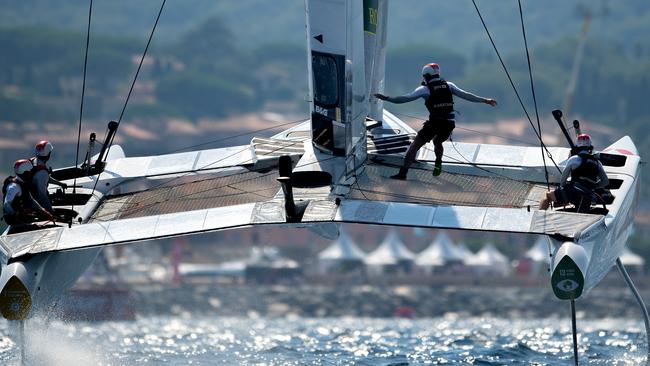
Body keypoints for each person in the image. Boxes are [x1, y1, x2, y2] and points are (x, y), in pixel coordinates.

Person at [374, 62, 497, 179]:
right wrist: (485, 100)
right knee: (438, 141)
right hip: (449, 123)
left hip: (434, 123)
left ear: (426, 76)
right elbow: (466, 95)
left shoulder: (424, 90)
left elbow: (404, 99)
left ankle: (403, 174)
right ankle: (438, 162)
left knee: (414, 146)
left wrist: (387, 98)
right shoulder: (449, 85)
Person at [539, 134, 609, 212]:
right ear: (590, 147)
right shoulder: (597, 163)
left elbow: (563, 180)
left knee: (548, 195)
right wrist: (593, 186)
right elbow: (605, 182)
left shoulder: (574, 159)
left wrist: (562, 190)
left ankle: (540, 214)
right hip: (588, 196)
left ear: (577, 147)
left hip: (573, 192)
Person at [2, 159, 54, 226]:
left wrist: (44, 211)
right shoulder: (14, 187)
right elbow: (6, 204)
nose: (31, 173)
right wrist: (15, 214)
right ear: (25, 172)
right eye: (29, 171)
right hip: (14, 219)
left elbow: (30, 200)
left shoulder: (22, 183)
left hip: (21, 214)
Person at [30, 140, 67, 213]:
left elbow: (45, 178)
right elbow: (42, 195)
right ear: (48, 155)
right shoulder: (42, 172)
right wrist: (50, 211)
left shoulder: (34, 162)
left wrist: (60, 184)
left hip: (31, 198)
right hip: (37, 203)